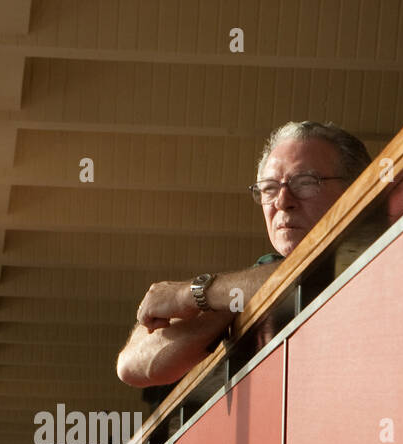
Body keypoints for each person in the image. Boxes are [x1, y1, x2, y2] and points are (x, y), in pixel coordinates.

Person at [116, 121, 371, 388]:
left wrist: (192, 294)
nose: (283, 201)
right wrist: (223, 304)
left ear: (356, 188)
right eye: (270, 188)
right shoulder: (263, 272)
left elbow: (317, 273)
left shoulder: (383, 242)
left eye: (305, 182)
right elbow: (134, 366)